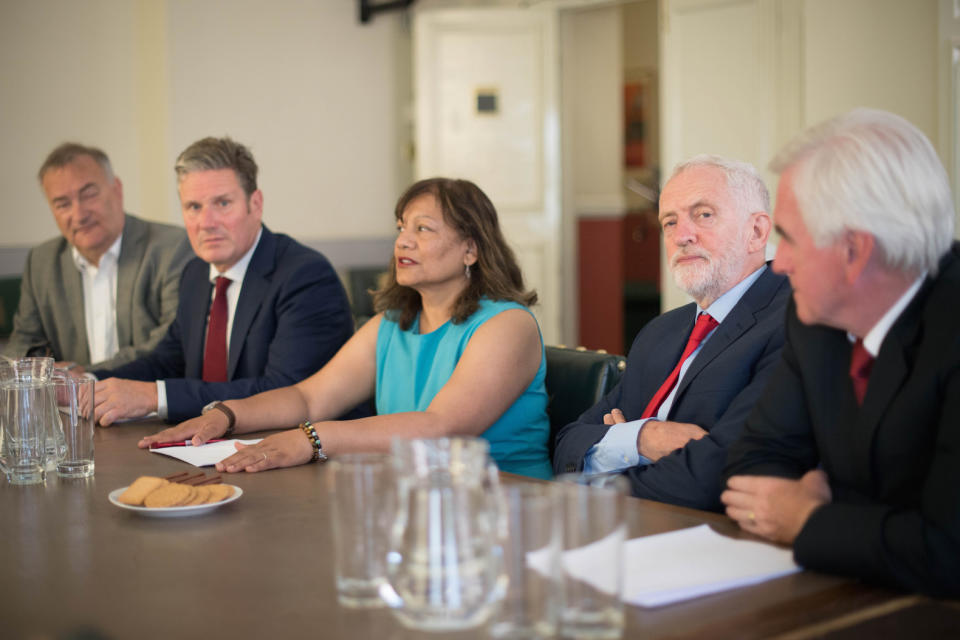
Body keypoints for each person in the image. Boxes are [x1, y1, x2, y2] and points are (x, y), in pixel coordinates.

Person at [138, 177, 552, 479]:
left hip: (508, 507)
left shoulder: (507, 325)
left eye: (423, 229)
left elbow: (441, 427)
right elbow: (309, 397)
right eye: (400, 228)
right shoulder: (391, 325)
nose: (403, 242)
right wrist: (226, 416)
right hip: (421, 505)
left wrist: (311, 440)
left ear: (472, 248)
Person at [722, 108, 960, 597]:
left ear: (854, 251)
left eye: (788, 237)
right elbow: (753, 463)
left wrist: (810, 517)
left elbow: (947, 552)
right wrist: (802, 509)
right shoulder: (816, 317)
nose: (777, 263)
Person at [553, 155, 790, 510]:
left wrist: (604, 470)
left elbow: (715, 477)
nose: (682, 236)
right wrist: (643, 438)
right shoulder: (660, 331)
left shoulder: (793, 321)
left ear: (756, 232)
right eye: (669, 222)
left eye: (703, 215)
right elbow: (568, 445)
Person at [91, 137, 356, 424]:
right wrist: (88, 382)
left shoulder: (306, 277)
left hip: (291, 452)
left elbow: (283, 393)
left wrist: (156, 396)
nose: (206, 222)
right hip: (208, 447)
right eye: (193, 207)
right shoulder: (195, 273)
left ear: (255, 205)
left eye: (223, 203)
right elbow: (168, 360)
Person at [4, 143, 193, 370]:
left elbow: (168, 347)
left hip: (148, 401)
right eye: (63, 204)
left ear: (117, 189)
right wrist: (43, 369)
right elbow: (22, 343)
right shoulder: (42, 261)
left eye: (89, 195)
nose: (79, 214)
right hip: (67, 404)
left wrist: (82, 377)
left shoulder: (171, 248)